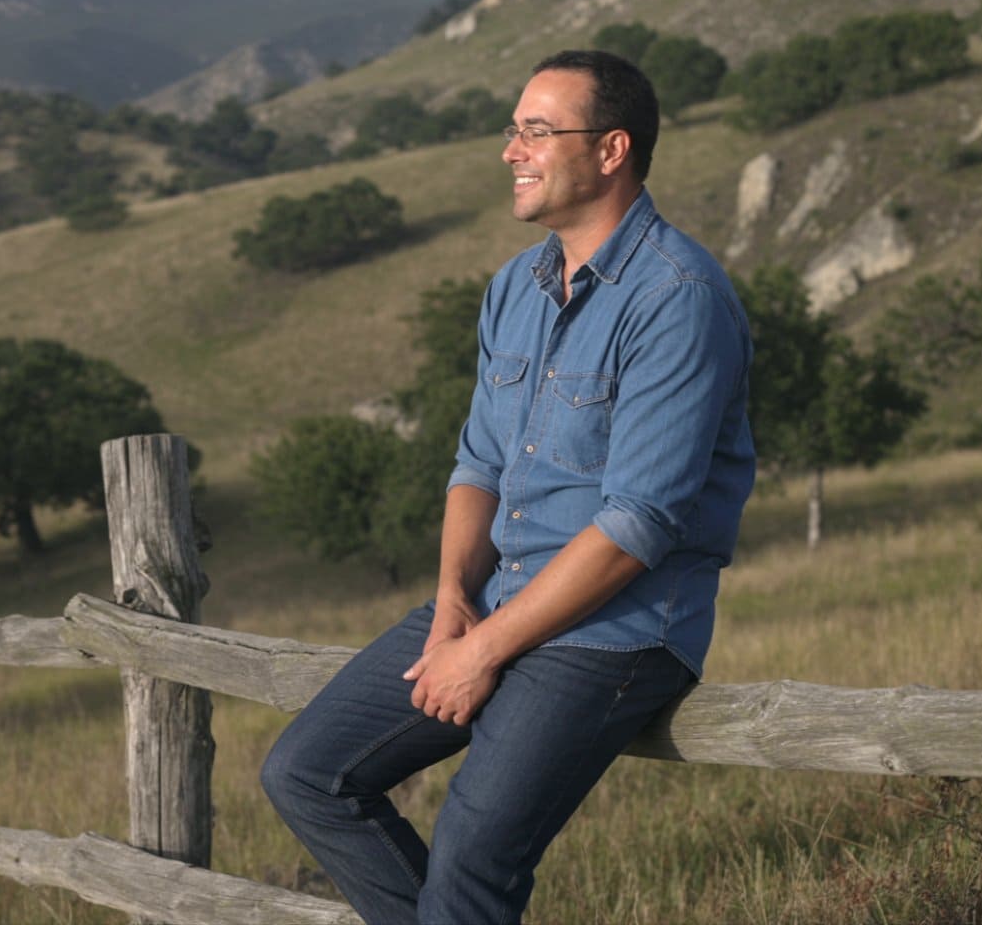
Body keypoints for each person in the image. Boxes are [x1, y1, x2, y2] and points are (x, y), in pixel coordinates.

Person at [261, 49, 755, 925]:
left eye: (536, 130)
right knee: (306, 771)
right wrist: (454, 602)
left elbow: (638, 523)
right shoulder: (514, 288)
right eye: (512, 130)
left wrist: (482, 652)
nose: (511, 151)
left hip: (616, 630)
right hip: (492, 598)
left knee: (470, 863)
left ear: (611, 150)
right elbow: (479, 466)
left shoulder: (678, 296)